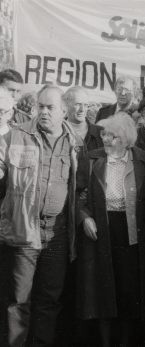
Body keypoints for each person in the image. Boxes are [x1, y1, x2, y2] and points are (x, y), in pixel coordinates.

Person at [0, 85, 80, 346]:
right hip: (25, 231)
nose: (43, 112)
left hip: (57, 234)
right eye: (40, 107)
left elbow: (81, 189)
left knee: (49, 301)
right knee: (19, 301)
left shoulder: (75, 143)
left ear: (64, 111)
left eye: (50, 108)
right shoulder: (16, 136)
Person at [77, 113, 145, 347]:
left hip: (132, 233)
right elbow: (79, 195)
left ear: (125, 139)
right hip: (102, 231)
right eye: (104, 134)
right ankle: (104, 342)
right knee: (103, 291)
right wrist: (84, 218)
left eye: (112, 136)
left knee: (128, 291)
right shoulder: (92, 159)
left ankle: (124, 342)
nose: (105, 139)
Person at [63, 86, 103, 152]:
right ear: (66, 105)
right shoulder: (54, 132)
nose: (82, 109)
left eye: (85, 105)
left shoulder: (101, 133)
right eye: (78, 104)